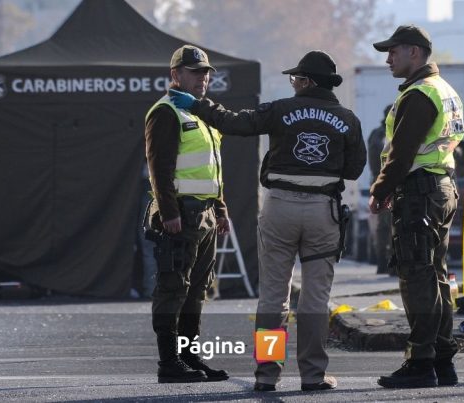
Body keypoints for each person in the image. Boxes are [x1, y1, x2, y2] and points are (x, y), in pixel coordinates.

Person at [170, 50, 366, 392]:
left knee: (274, 298)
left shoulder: (280, 109)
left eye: (296, 79)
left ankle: (267, 373)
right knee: (316, 299)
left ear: (306, 82)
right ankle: (313, 374)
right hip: (323, 210)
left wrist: (199, 106)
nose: (293, 83)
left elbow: (234, 123)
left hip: (279, 208)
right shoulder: (347, 119)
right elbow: (354, 169)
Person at [369, 25, 464, 388]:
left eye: (393, 52)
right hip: (441, 187)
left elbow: (403, 151)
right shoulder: (444, 89)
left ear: (414, 52)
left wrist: (381, 189)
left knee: (416, 279)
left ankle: (421, 362)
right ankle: (442, 360)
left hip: (419, 192)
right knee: (435, 276)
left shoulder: (419, 94)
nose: (388, 59)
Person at [144, 44, 230, 384]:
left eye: (205, 73)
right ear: (175, 74)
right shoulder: (166, 112)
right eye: (195, 72)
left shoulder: (199, 112)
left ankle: (189, 356)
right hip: (181, 212)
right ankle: (169, 363)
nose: (203, 78)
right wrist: (168, 211)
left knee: (197, 289)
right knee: (173, 287)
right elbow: (159, 168)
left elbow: (213, 169)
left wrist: (220, 208)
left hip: (204, 213)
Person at [367, 104, 394, 275]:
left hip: (378, 180)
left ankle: (382, 263)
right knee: (392, 225)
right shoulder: (392, 133)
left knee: (382, 226)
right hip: (391, 181)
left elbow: (371, 160)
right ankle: (390, 264)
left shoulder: (376, 134)